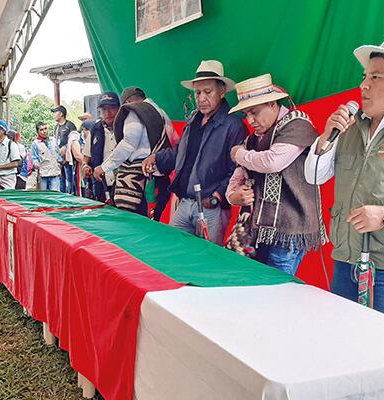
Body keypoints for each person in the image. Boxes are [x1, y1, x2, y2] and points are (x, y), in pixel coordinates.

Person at [304, 29, 384, 319]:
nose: (364, 86)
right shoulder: (350, 125)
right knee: (345, 345)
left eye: (376, 77)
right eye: (364, 77)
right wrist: (327, 136)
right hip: (344, 259)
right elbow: (313, 176)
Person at [223, 74, 322, 275]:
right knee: (260, 287)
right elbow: (237, 177)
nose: (250, 121)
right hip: (260, 230)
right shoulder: (253, 140)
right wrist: (233, 196)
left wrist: (238, 153)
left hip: (290, 230)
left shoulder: (297, 124)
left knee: (278, 292)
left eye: (254, 113)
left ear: (272, 104)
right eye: (246, 115)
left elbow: (272, 162)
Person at [145, 60, 247, 244]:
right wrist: (157, 158)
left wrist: (216, 196)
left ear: (222, 92)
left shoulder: (233, 125)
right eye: (197, 93)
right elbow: (180, 153)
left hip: (211, 207)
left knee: (208, 261)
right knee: (173, 250)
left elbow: (238, 170)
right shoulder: (193, 120)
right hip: (185, 203)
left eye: (208, 92)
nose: (201, 98)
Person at [96, 86, 176, 216]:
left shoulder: (134, 112)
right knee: (154, 222)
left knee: (134, 225)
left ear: (127, 103)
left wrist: (104, 167)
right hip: (158, 176)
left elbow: (128, 144)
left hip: (139, 180)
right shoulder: (160, 112)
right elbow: (174, 140)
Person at [82, 92, 121, 203]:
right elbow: (86, 157)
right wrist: (85, 166)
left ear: (119, 108)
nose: (108, 113)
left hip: (125, 186)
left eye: (112, 108)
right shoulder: (95, 130)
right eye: (104, 109)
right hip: (102, 186)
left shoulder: (127, 128)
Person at [0, 120, 22, 190]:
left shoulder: (12, 145)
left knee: (7, 198)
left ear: (3, 130)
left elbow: (16, 163)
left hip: (8, 178)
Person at [52, 105, 78, 194]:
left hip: (69, 158)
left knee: (70, 180)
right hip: (59, 158)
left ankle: (72, 196)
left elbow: (76, 140)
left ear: (61, 114)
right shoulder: (56, 127)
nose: (54, 115)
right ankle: (62, 197)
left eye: (56, 112)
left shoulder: (70, 125)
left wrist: (66, 147)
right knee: (61, 180)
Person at [30, 121, 62, 191]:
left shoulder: (53, 140)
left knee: (55, 195)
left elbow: (58, 154)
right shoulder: (35, 144)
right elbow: (34, 158)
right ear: (37, 132)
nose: (44, 131)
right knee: (43, 196)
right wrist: (36, 165)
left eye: (45, 129)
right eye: (41, 130)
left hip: (55, 173)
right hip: (43, 174)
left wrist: (59, 165)